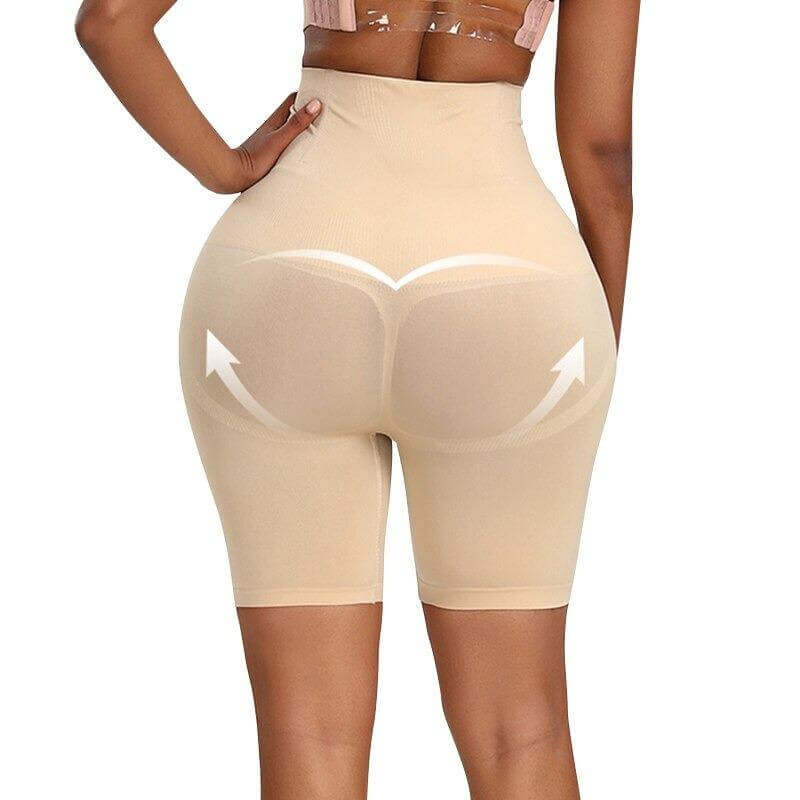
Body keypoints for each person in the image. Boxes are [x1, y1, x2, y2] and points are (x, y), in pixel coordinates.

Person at [75, 2, 639, 797]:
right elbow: (604, 155)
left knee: (308, 729)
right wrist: (592, 347)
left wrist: (225, 169)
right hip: (510, 280)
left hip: (288, 268)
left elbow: (110, 22)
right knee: (522, 729)